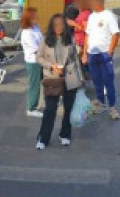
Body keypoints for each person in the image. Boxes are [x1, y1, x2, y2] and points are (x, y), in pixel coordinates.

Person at [35, 13, 84, 149]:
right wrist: (51, 66)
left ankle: (65, 134)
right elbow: (38, 57)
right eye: (56, 25)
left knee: (69, 108)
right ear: (52, 26)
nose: (58, 27)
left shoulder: (70, 39)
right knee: (50, 109)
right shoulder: (46, 40)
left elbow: (75, 59)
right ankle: (43, 138)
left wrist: (81, 78)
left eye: (61, 25)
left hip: (70, 77)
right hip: (52, 78)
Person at [84, 0, 120, 120]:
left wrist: (110, 51)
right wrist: (84, 53)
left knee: (108, 81)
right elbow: (87, 35)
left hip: (104, 53)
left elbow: (116, 34)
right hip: (92, 54)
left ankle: (112, 107)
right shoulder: (91, 16)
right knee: (97, 81)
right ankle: (101, 103)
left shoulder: (109, 15)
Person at [20, 7, 44, 118]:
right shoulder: (27, 33)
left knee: (46, 81)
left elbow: (42, 41)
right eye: (35, 17)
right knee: (34, 85)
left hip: (41, 59)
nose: (37, 19)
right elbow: (36, 49)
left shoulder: (36, 28)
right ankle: (31, 108)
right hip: (33, 61)